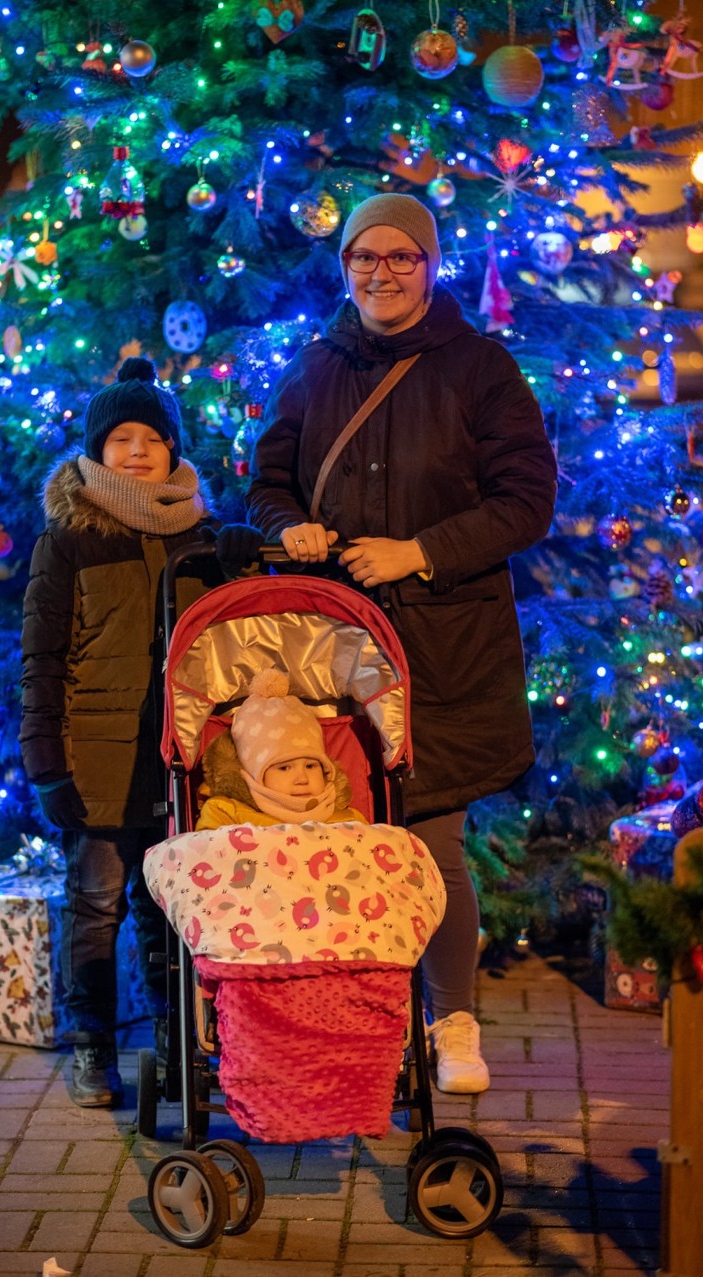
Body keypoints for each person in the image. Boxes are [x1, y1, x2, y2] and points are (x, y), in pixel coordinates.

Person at [247, 192, 557, 1094]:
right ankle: (358, 1024)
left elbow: (528, 500)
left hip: (447, 650)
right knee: (339, 840)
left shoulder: (479, 368)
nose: (380, 272)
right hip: (334, 649)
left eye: (400, 257)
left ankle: (451, 1023)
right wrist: (288, 526)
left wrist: (421, 551)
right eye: (364, 258)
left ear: (429, 266)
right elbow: (269, 481)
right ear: (344, 268)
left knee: (434, 842)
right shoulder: (313, 369)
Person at [19, 356, 254, 1108]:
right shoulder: (71, 539)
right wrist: (47, 765)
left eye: (151, 438)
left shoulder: (203, 536)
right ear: (96, 452)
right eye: (120, 439)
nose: (137, 451)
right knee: (96, 904)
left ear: (174, 451)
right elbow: (42, 658)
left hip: (179, 761)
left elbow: (238, 643)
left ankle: (176, 1034)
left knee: (171, 906)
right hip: (95, 764)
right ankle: (91, 1040)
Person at [195, 668, 365, 830]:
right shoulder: (226, 814)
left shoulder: (349, 820)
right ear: (254, 775)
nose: (302, 779)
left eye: (311, 766)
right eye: (284, 768)